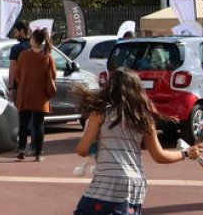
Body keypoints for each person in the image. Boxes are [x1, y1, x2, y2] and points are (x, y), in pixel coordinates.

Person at [73, 68, 195, 214]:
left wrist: (95, 140)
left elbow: (82, 149)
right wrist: (186, 153)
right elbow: (159, 156)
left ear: (110, 88)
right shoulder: (143, 117)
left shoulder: (100, 113)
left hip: (108, 179)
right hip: (136, 183)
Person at [13, 27, 57, 161]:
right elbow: (53, 74)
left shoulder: (24, 55)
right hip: (41, 95)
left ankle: (22, 149)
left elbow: (18, 74)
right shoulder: (47, 56)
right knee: (38, 125)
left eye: (31, 38)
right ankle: (38, 152)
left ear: (35, 41)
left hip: (25, 93)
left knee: (23, 123)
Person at [7, 19, 31, 97]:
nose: (14, 34)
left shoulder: (16, 48)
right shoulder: (37, 47)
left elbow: (12, 69)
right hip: (34, 87)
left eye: (15, 32)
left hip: (20, 87)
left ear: (21, 31)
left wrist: (10, 88)